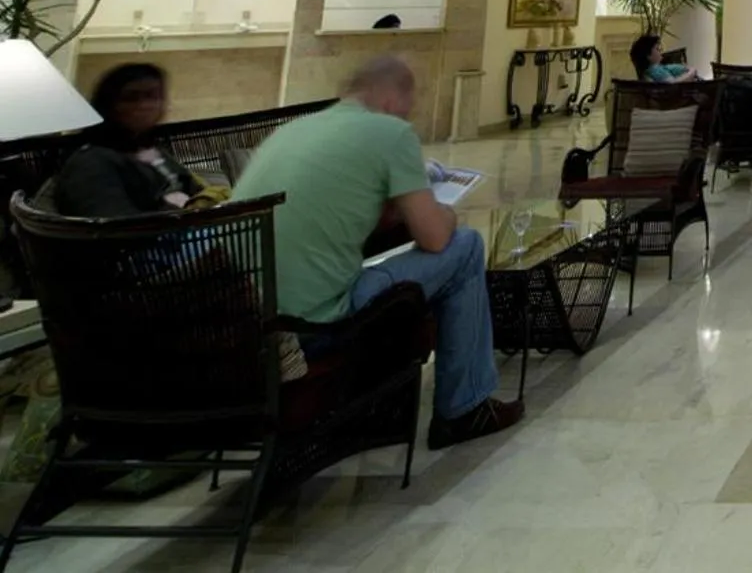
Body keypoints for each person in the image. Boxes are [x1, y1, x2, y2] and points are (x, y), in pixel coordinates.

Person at [230, 57, 521, 449]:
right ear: (389, 99)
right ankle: (464, 408)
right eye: (407, 106)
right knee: (465, 247)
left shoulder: (295, 129)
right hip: (314, 328)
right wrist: (445, 214)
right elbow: (435, 238)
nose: (407, 117)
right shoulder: (389, 132)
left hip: (249, 325)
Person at [50, 63, 211, 218]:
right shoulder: (91, 162)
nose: (144, 105)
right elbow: (115, 227)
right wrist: (177, 209)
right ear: (108, 105)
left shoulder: (148, 147)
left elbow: (194, 189)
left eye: (153, 96)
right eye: (131, 98)